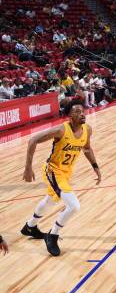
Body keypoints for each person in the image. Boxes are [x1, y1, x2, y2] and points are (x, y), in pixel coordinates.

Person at [21, 99, 102, 256]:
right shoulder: (61, 130)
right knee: (74, 206)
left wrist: (95, 167)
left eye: (83, 111)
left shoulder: (87, 130)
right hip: (53, 170)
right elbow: (33, 140)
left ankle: (30, 226)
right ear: (69, 116)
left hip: (66, 173)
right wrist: (28, 167)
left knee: (51, 200)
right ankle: (53, 235)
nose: (82, 114)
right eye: (77, 112)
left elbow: (86, 149)